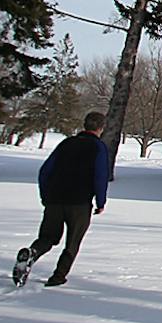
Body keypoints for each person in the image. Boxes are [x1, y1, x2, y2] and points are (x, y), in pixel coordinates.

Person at [14, 110, 111, 288]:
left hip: (55, 200)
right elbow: (100, 176)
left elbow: (45, 171)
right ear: (101, 128)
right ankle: (58, 276)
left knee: (47, 237)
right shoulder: (98, 147)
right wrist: (100, 202)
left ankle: (32, 253)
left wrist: (46, 196)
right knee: (72, 242)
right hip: (80, 203)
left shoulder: (66, 143)